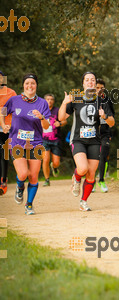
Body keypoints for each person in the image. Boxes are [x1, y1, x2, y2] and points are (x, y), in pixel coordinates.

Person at [58, 71, 115, 211]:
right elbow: (61, 118)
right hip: (78, 140)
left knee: (91, 173)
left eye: (92, 80)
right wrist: (64, 103)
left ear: (95, 83)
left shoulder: (102, 101)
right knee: (83, 168)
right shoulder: (76, 99)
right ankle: (76, 178)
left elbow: (112, 123)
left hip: (95, 141)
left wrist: (105, 116)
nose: (90, 82)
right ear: (83, 83)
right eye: (87, 80)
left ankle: (83, 201)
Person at [0, 73, 51, 215]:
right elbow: (2, 112)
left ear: (36, 85)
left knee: (33, 176)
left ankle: (29, 205)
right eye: (27, 83)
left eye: (33, 83)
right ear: (23, 85)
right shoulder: (14, 100)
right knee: (23, 173)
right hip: (17, 143)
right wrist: (3, 125)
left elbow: (46, 126)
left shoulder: (42, 103)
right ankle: (19, 186)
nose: (30, 86)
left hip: (35, 144)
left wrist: (41, 117)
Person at [93, 78, 115, 193]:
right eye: (97, 87)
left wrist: (110, 133)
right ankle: (91, 182)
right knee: (93, 157)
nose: (99, 90)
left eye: (102, 88)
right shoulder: (89, 100)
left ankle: (101, 180)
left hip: (105, 132)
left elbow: (112, 119)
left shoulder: (107, 101)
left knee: (103, 156)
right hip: (92, 132)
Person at [42, 94, 67, 186]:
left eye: (51, 99)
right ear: (44, 101)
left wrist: (60, 123)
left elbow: (65, 121)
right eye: (48, 99)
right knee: (45, 160)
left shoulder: (57, 110)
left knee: (56, 162)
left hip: (56, 139)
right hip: (43, 139)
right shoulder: (41, 110)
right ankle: (47, 179)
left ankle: (54, 167)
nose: (50, 101)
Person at [0, 71, 17, 195]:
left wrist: (9, 125)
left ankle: (3, 181)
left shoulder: (10, 93)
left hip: (6, 128)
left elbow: (15, 110)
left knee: (3, 154)